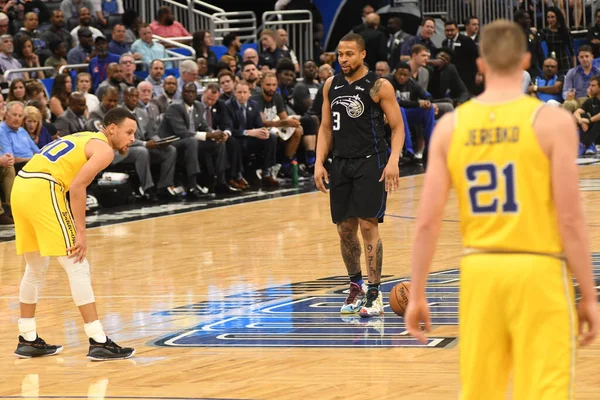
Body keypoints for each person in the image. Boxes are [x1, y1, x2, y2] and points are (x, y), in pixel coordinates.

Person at [405, 20, 599, 399]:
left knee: (481, 393)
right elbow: (571, 219)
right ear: (526, 60)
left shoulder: (450, 126)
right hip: (538, 271)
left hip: (480, 273)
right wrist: (589, 295)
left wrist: (418, 293)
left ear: (480, 64)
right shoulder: (553, 122)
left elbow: (426, 223)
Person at [11, 107, 137, 360]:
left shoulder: (81, 137)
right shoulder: (104, 150)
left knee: (35, 268)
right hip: (43, 188)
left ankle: (27, 337)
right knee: (77, 264)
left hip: (21, 185)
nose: (132, 138)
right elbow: (78, 187)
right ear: (112, 129)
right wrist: (81, 232)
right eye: (129, 132)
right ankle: (98, 340)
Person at [313, 33, 404, 317]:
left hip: (371, 162)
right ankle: (356, 286)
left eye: (349, 54)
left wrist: (393, 161)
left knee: (367, 226)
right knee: (344, 229)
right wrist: (319, 162)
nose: (343, 59)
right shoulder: (331, 84)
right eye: (340, 54)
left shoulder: (379, 85)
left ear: (362, 55)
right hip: (341, 163)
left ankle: (374, 293)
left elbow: (398, 127)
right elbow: (326, 128)